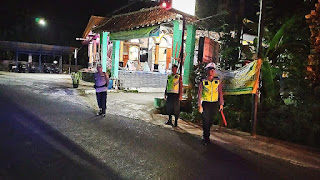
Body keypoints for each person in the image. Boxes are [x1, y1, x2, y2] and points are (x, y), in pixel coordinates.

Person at [198, 63, 224, 145]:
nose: (211, 71)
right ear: (207, 71)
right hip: (206, 104)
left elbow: (220, 93)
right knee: (206, 120)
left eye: (213, 69)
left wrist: (221, 104)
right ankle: (206, 137)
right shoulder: (203, 81)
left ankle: (206, 133)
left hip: (214, 104)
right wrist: (199, 105)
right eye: (210, 69)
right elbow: (199, 94)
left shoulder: (217, 81)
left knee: (211, 121)